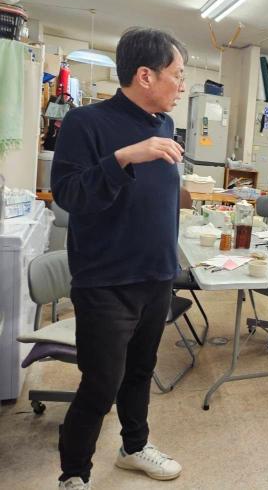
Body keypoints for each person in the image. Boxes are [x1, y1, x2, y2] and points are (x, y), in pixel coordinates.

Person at [51, 27, 187, 489]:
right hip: (106, 281)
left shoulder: (164, 125)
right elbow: (69, 194)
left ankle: (133, 447)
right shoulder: (85, 122)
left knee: (141, 372)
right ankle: (74, 474)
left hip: (157, 275)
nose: (181, 85)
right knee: (101, 384)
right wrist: (124, 157)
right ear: (145, 75)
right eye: (177, 74)